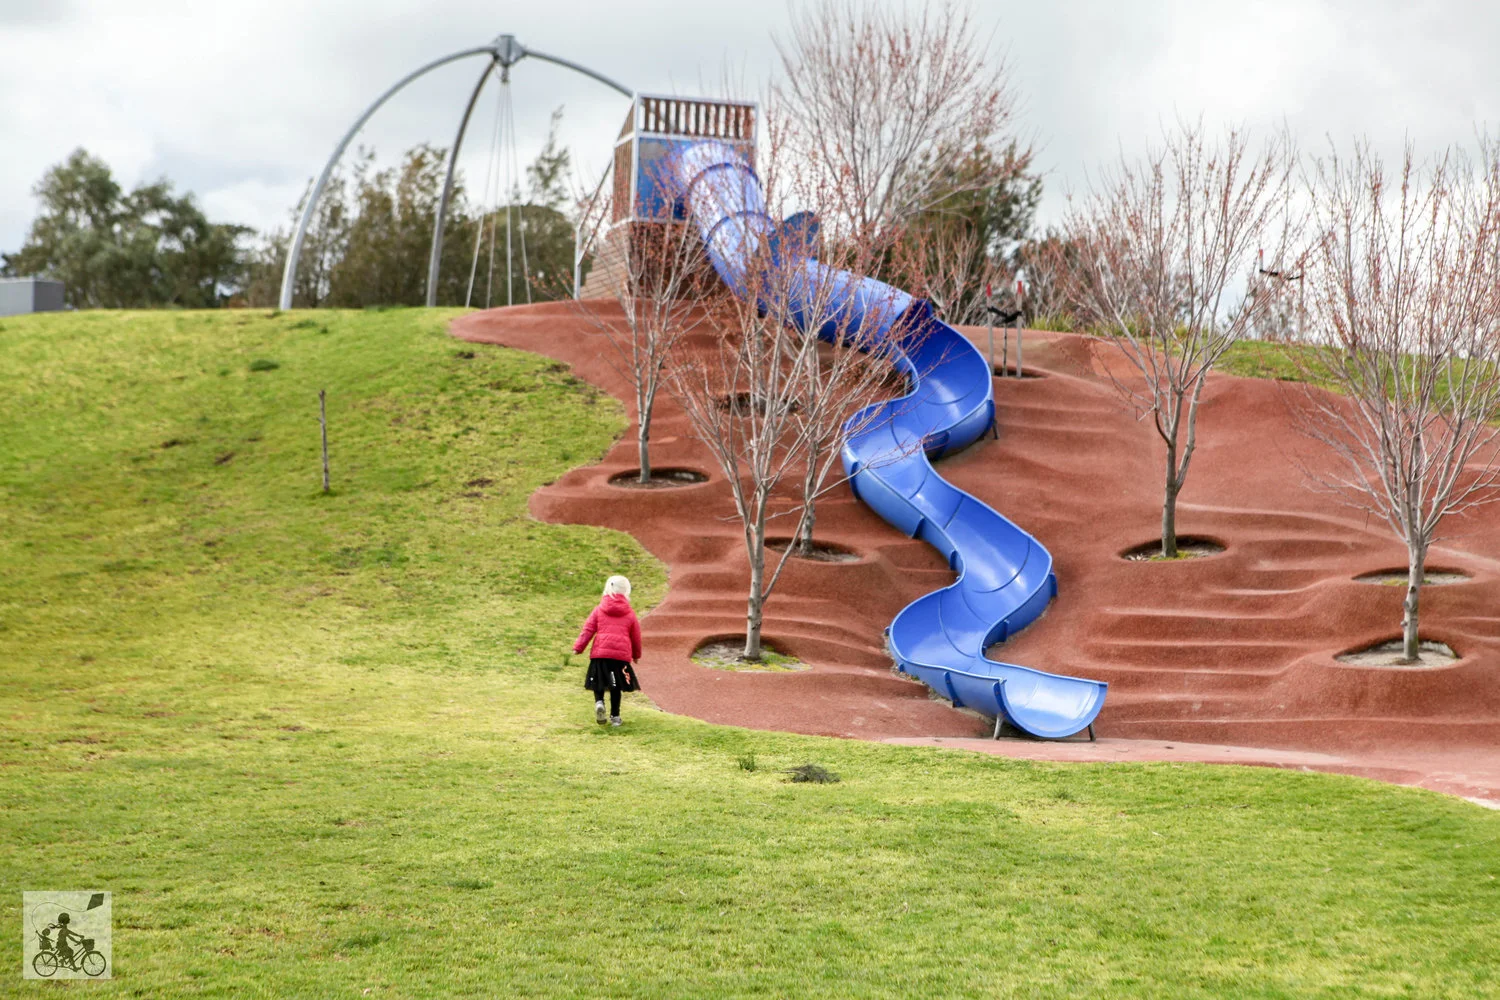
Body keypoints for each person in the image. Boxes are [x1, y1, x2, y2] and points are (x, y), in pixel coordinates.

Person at [572, 575, 641, 727]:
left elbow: (588, 629)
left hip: (600, 654)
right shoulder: (630, 613)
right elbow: (636, 636)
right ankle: (615, 717)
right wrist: (636, 655)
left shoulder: (599, 610)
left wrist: (579, 647)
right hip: (620, 657)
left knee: (599, 682)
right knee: (615, 686)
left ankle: (599, 702)